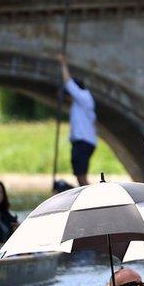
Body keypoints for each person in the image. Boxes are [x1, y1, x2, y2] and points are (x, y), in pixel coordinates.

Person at [57, 54, 97, 187]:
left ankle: (92, 199)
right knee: (80, 176)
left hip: (83, 142)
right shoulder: (79, 105)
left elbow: (69, 84)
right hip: (82, 142)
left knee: (81, 177)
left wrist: (63, 64)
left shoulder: (83, 97)